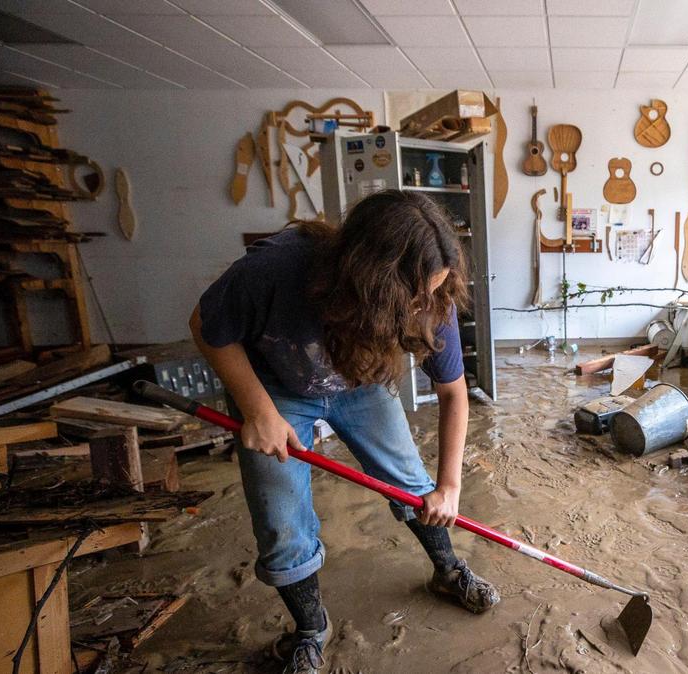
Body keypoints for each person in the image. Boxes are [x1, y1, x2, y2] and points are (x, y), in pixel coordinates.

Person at [191, 190, 499, 674]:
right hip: (276, 386)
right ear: (369, 278)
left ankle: (448, 570)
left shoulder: (432, 296)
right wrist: (258, 411)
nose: (424, 306)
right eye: (412, 296)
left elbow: (453, 394)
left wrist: (451, 487)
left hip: (361, 379)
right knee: (281, 519)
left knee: (413, 483)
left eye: (433, 292)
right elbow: (206, 325)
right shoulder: (276, 269)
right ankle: (311, 628)